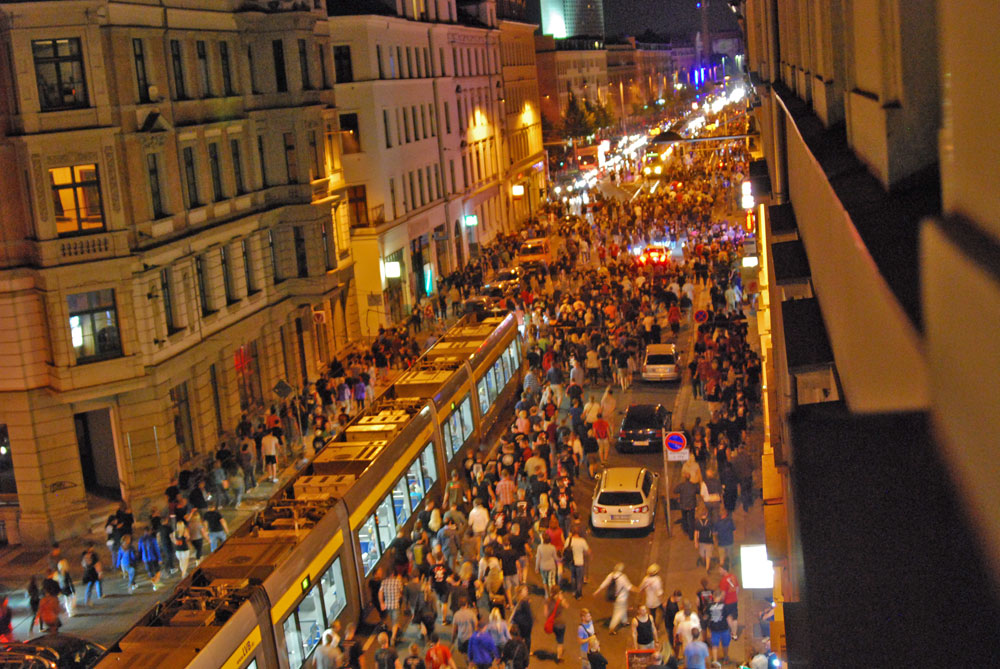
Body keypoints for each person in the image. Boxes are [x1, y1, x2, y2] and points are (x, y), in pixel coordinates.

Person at [593, 562, 636, 634]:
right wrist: (638, 590)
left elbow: (604, 584)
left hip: (614, 597)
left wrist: (597, 592)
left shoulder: (611, 575)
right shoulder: (622, 577)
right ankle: (612, 628)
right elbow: (629, 587)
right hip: (621, 598)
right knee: (618, 613)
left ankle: (624, 622)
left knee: (623, 609)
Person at [379, 568, 404, 647]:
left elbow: (380, 592)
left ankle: (396, 629)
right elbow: (401, 590)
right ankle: (393, 637)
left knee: (392, 620)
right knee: (395, 622)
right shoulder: (397, 581)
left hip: (388, 605)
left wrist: (381, 603)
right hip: (395, 605)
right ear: (393, 574)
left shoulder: (384, 582)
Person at [565, 527, 590, 599]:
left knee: (573, 576)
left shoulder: (569, 540)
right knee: (579, 578)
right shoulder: (582, 541)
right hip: (580, 562)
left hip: (572, 562)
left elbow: (565, 548)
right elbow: (587, 551)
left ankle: (573, 591)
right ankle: (578, 594)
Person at [545, 587, 568, 663]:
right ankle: (558, 657)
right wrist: (562, 599)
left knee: (558, 638)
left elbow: (545, 614)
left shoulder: (547, 601)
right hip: (560, 624)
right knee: (560, 641)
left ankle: (559, 654)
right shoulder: (560, 601)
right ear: (558, 593)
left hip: (552, 624)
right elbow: (567, 606)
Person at [707, 593, 731, 665]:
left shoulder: (709, 606)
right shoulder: (725, 606)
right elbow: (728, 618)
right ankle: (726, 657)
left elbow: (706, 617)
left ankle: (715, 660)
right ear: (720, 596)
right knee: (725, 645)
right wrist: (731, 629)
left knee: (714, 645)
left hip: (714, 629)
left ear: (713, 597)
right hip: (724, 628)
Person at [137, 526, 162, 590]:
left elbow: (139, 550)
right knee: (158, 570)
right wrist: (159, 558)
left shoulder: (141, 539)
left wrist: (140, 558)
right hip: (153, 557)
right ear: (150, 531)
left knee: (151, 572)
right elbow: (156, 549)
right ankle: (156, 583)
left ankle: (154, 584)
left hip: (145, 558)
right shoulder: (152, 539)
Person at [718, 566, 740, 640]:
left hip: (727, 602)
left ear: (725, 569)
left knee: (728, 617)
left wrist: (719, 600)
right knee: (735, 617)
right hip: (734, 600)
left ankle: (732, 631)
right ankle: (735, 634)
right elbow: (737, 588)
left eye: (720, 569)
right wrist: (735, 596)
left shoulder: (723, 581)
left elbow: (723, 593)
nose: (719, 571)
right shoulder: (733, 577)